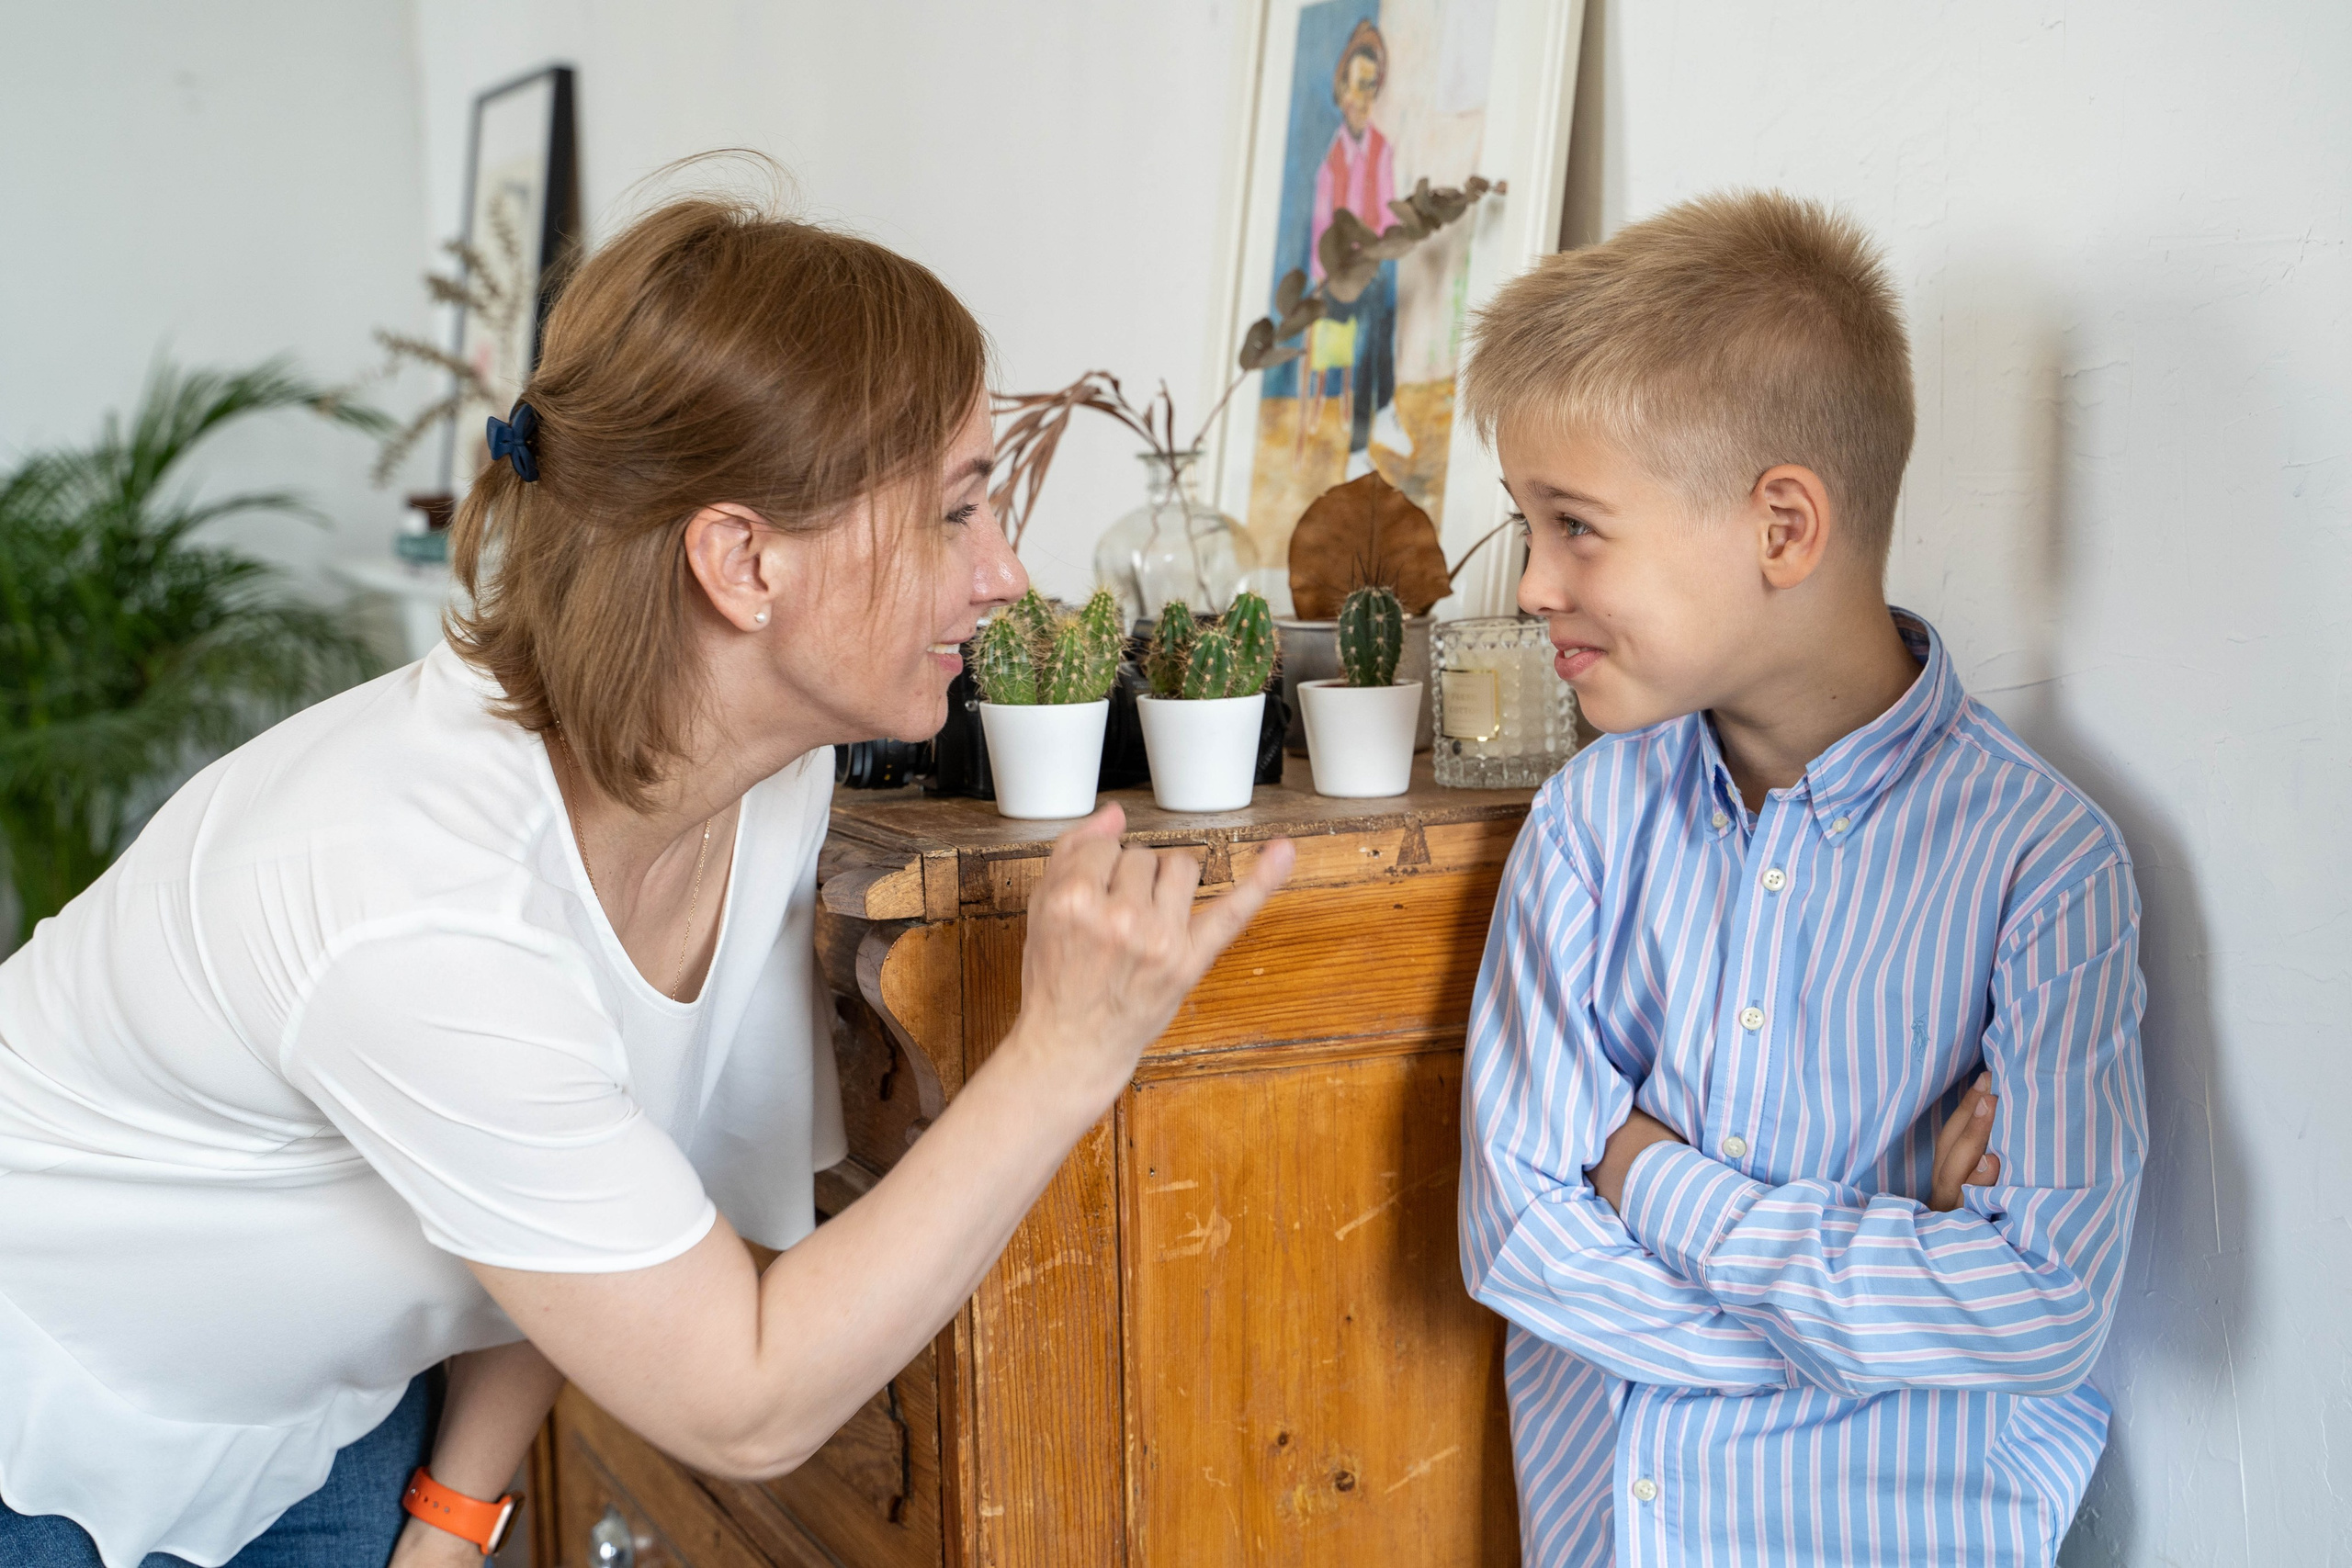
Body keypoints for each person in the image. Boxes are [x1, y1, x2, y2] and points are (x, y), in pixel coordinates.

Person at [0, 189, 1294, 1568]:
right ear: (743, 561)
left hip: (322, 1411)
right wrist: (1066, 1051)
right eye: (954, 511)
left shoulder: (764, 783)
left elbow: (609, 1207)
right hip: (47, 1417)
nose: (1004, 573)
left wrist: (451, 1515)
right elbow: (746, 1394)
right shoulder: (414, 898)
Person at [1455, 191, 2147, 1567]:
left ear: (1782, 527)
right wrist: (1885, 1312)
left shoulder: (2044, 866)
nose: (1532, 584)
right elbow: (1523, 1243)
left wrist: (1642, 1169)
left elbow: (2045, 1307)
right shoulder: (1588, 823)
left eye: (1576, 525)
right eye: (1525, 524)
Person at [1306, 17, 1405, 475]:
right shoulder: (1332, 163)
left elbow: (1386, 217)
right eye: (1356, 86)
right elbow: (1321, 236)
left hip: (1371, 275)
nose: (1363, 98)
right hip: (1336, 285)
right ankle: (1378, 416)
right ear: (1342, 91)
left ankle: (1365, 437)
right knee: (1373, 296)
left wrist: (1381, 248)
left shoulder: (1382, 150)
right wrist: (1329, 279)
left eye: (1371, 87)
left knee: (1383, 285)